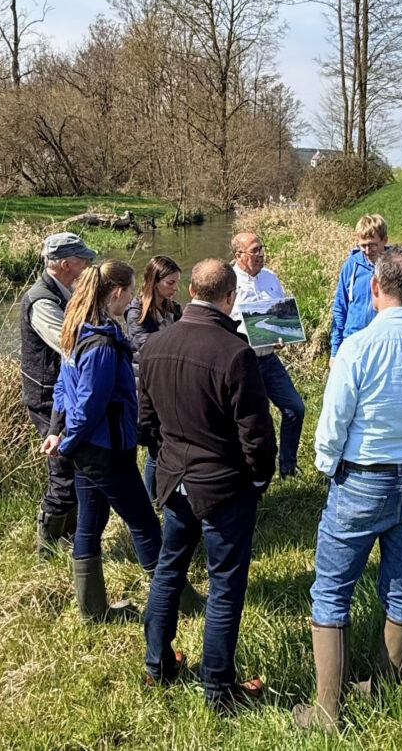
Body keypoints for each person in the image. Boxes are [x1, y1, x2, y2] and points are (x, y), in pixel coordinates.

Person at [294, 247, 402, 731]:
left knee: (332, 589)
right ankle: (385, 688)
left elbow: (332, 426)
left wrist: (328, 468)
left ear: (374, 290)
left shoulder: (357, 348)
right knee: (400, 580)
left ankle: (328, 711)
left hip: (360, 478)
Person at [139, 258, 277, 713]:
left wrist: (168, 459)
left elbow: (146, 425)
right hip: (222, 488)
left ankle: (157, 665)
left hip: (173, 479)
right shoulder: (235, 352)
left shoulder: (155, 345)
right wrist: (258, 479)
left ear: (192, 290)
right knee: (224, 585)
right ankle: (218, 690)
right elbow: (256, 435)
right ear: (230, 298)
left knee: (168, 569)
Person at [41, 260, 201, 621]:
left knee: (90, 524)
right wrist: (65, 441)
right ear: (116, 293)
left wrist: (58, 433)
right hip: (107, 453)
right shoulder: (101, 344)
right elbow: (88, 406)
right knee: (145, 523)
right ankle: (179, 601)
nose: (130, 298)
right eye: (128, 291)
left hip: (87, 453)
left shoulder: (75, 330)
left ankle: (93, 611)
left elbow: (63, 389)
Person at [20, 231, 95, 558]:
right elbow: (70, 346)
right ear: (65, 264)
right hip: (48, 396)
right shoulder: (42, 301)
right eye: (82, 259)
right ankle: (47, 549)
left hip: (65, 392)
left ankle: (68, 538)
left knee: (75, 463)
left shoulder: (66, 291)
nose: (88, 263)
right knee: (62, 468)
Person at [230, 232, 304, 478]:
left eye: (262, 248)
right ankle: (247, 473)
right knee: (249, 421)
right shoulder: (228, 281)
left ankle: (288, 468)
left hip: (269, 358)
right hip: (242, 363)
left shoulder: (271, 277)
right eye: (254, 250)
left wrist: (283, 335)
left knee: (295, 408)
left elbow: (281, 317)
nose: (261, 254)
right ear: (239, 255)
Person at [124, 255, 182, 501]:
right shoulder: (136, 311)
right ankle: (152, 498)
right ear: (154, 281)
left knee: (164, 443)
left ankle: (160, 495)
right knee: (154, 446)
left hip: (169, 384)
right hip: (144, 386)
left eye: (177, 283)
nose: (174, 288)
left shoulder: (174, 308)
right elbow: (146, 347)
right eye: (170, 283)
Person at [330, 214, 402, 367]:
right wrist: (335, 350)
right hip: (354, 341)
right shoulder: (351, 266)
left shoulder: (397, 267)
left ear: (384, 240)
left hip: (388, 342)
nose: (367, 250)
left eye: (372, 245)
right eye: (362, 245)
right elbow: (340, 307)